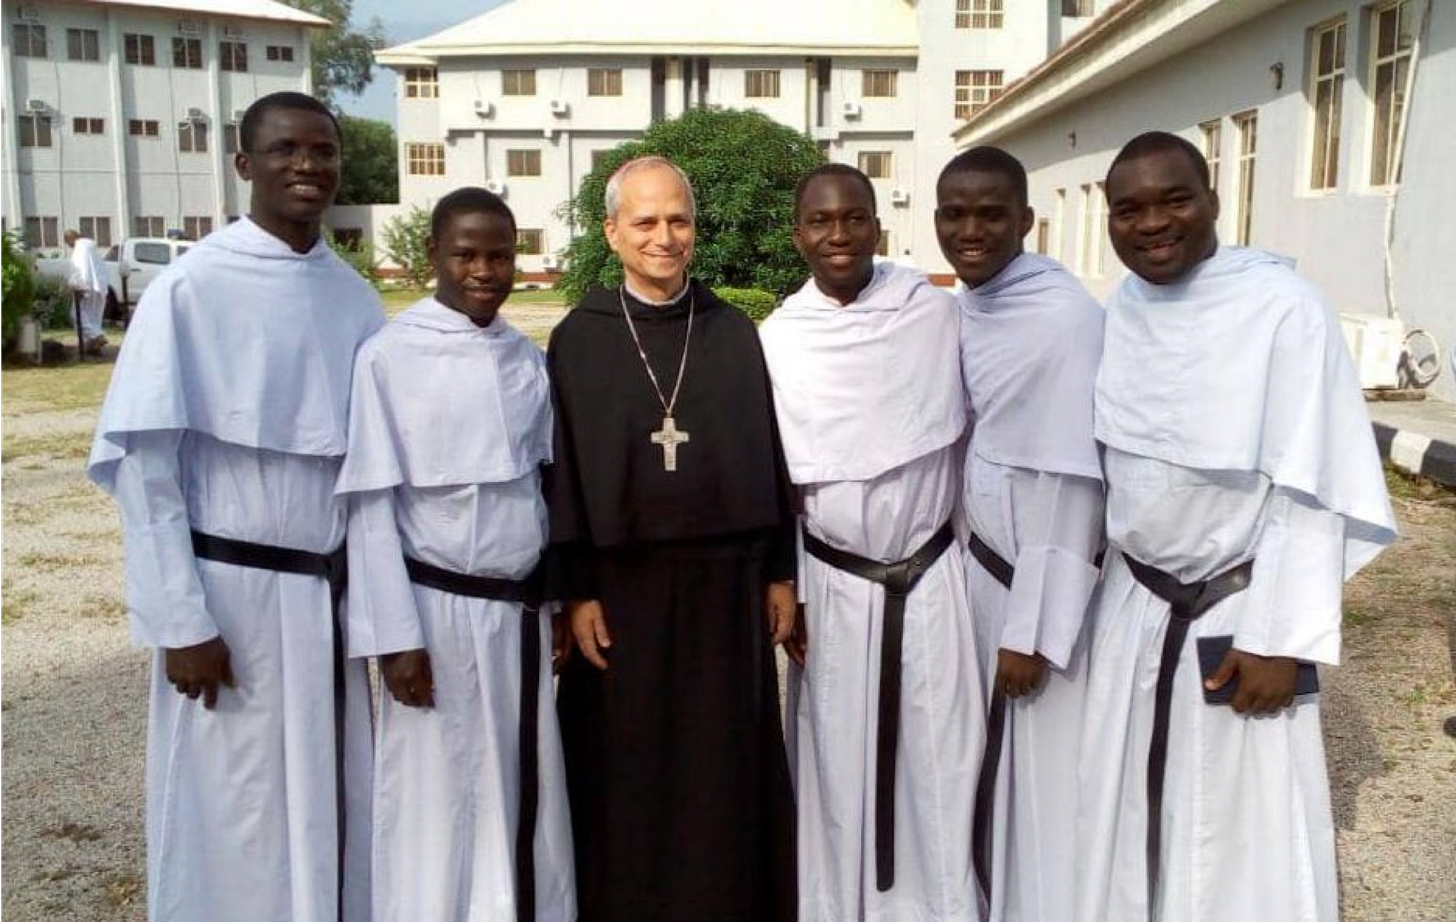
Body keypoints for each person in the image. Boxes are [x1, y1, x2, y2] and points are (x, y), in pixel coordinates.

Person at [1075, 132, 1397, 922]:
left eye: (1175, 200)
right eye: (1128, 209)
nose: (1153, 223)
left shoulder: (1284, 307)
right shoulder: (1124, 306)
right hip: (1135, 607)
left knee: (1232, 835)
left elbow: (1313, 480)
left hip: (1237, 616)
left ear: (1215, 201)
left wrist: (1281, 638)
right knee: (1127, 815)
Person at [87, 92, 383, 922]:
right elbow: (146, 471)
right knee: (233, 808)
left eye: (323, 151)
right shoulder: (191, 287)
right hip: (229, 600)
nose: (308, 165)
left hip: (324, 599)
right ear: (245, 164)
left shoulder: (353, 296)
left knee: (328, 800)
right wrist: (180, 620)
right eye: (286, 149)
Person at [546, 155, 798, 922]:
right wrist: (575, 589)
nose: (664, 237)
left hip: (725, 590)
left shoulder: (732, 333)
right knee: (626, 771)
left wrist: (779, 573)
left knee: (721, 769)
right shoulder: (578, 339)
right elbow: (563, 471)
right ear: (612, 232)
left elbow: (768, 455)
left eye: (678, 220)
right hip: (621, 596)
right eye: (646, 221)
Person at [335, 187, 574, 922]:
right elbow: (372, 506)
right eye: (465, 255)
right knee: (438, 795)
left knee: (522, 782)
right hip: (433, 615)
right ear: (431, 255)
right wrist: (394, 637)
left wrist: (556, 600)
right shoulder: (388, 358)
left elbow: (541, 487)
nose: (484, 271)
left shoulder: (524, 358)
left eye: (499, 256)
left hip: (518, 613)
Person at [761, 164, 982, 922]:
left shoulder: (934, 316)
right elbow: (773, 481)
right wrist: (789, 583)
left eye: (854, 218)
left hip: (929, 579)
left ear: (878, 228)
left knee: (942, 762)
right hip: (835, 588)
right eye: (821, 221)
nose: (839, 235)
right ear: (798, 235)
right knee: (838, 764)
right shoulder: (780, 340)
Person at [934, 148, 1105, 922]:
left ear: (1026, 221)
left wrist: (1032, 631)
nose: (970, 231)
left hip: (1032, 593)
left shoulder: (1061, 319)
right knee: (978, 769)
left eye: (990, 214)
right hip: (976, 576)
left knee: (1039, 780)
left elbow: (1072, 486)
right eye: (955, 214)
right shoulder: (968, 304)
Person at [65, 228, 109, 354]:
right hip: (100, 287)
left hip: (86, 287)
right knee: (94, 318)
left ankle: (97, 336)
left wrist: (79, 287)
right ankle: (93, 347)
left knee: (76, 314)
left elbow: (80, 270)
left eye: (67, 242)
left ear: (71, 238)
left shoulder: (80, 249)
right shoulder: (92, 247)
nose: (69, 246)